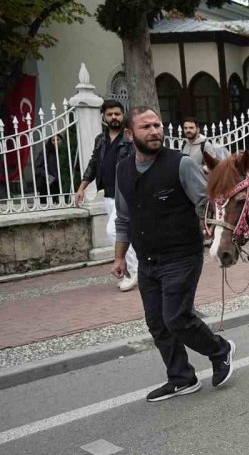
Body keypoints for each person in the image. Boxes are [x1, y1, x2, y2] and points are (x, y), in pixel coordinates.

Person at [114, 105, 235, 402]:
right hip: (147, 259)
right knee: (157, 322)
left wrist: (213, 228)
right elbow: (124, 218)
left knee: (176, 317)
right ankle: (181, 377)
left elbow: (205, 202)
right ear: (130, 134)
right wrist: (119, 257)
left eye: (157, 125)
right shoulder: (123, 170)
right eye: (146, 127)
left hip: (182, 255)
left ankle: (221, 350)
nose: (155, 131)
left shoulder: (180, 164)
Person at [74, 99, 139, 291]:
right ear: (104, 116)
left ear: (123, 115)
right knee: (128, 234)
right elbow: (94, 164)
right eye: (110, 114)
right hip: (109, 196)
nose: (114, 117)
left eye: (117, 114)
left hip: (126, 195)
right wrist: (82, 187)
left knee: (115, 231)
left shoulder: (129, 138)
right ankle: (140, 268)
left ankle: (135, 271)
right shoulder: (101, 140)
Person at [33, 134, 64, 203]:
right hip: (48, 183)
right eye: (53, 140)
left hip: (62, 183)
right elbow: (38, 166)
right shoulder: (46, 151)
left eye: (58, 139)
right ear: (50, 142)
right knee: (47, 204)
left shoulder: (65, 151)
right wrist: (46, 175)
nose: (56, 142)